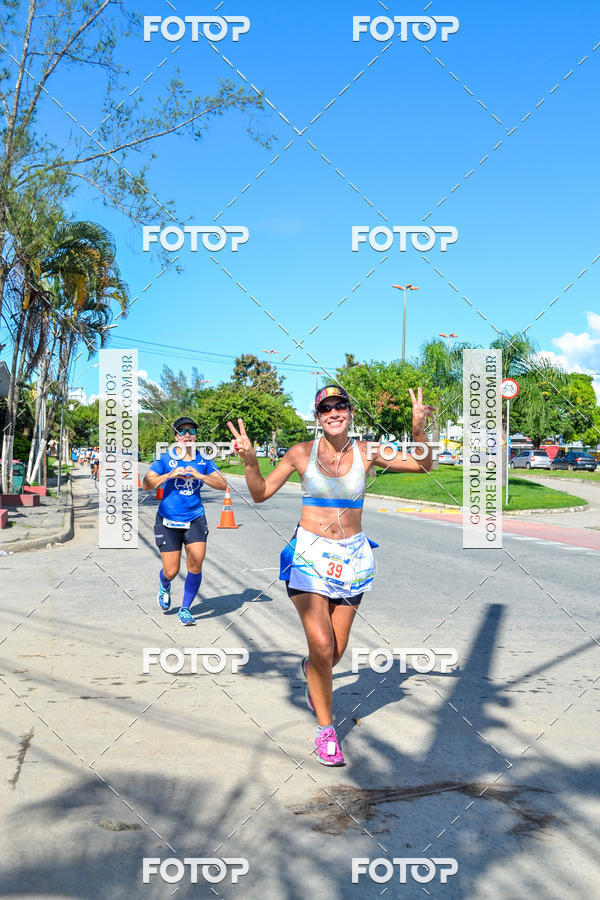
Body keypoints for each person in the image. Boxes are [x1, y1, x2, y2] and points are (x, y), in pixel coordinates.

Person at [228, 384, 432, 766]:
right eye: (326, 408)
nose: (334, 412)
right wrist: (251, 462)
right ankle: (326, 731)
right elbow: (259, 493)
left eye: (341, 406)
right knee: (322, 646)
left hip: (352, 558)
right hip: (308, 556)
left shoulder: (368, 452)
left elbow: (422, 464)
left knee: (332, 654)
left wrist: (419, 430)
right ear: (318, 416)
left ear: (350, 413)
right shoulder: (300, 453)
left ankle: (311, 672)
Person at [142, 416, 227, 625]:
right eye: (182, 431)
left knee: (195, 565)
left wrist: (201, 476)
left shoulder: (203, 459)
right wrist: (169, 475)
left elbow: (222, 483)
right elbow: (146, 483)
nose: (187, 435)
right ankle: (164, 584)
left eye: (191, 431)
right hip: (168, 520)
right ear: (176, 436)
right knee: (171, 570)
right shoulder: (165, 458)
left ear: (196, 436)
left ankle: (186, 608)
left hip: (195, 518)